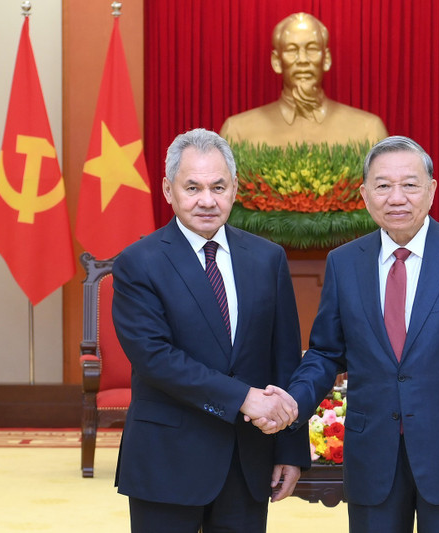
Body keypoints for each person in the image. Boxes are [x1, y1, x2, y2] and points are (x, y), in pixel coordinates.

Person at [277, 136, 439, 532]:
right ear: (364, 194)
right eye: (383, 185)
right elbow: (324, 353)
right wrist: (291, 403)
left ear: (431, 190)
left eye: (409, 184)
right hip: (372, 453)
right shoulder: (344, 262)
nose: (396, 197)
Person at [111, 128, 309, 533]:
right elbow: (155, 358)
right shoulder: (138, 263)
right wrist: (244, 398)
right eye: (193, 187)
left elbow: (284, 358)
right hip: (167, 459)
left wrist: (291, 447)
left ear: (235, 189)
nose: (207, 200)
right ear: (168, 190)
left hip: (247, 460)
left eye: (218, 186)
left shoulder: (267, 258)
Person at [220, 12, 388, 147]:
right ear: (277, 61)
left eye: (312, 49)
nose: (302, 59)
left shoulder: (369, 131)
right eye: (292, 50)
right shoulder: (237, 132)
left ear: (326, 58)